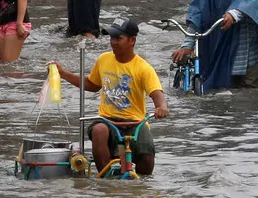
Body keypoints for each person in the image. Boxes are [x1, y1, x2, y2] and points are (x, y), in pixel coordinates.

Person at [51, 17, 169, 176]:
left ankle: (140, 187)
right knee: (99, 130)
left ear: (132, 40)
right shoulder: (104, 60)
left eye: (118, 38)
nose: (113, 42)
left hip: (135, 122)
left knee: (147, 158)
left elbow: (157, 93)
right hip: (107, 120)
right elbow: (91, 85)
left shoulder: (143, 68)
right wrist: (63, 74)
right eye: (112, 38)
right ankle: (106, 181)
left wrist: (161, 107)